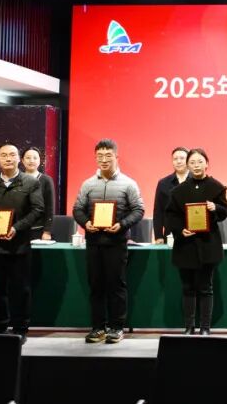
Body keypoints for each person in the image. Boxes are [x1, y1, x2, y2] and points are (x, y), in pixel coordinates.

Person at [72, 139, 145, 344]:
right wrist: (86, 223)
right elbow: (77, 209)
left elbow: (138, 209)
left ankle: (117, 327)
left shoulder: (128, 183)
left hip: (117, 242)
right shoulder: (88, 184)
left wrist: (122, 225)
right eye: (100, 156)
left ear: (116, 157)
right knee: (96, 286)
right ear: (95, 158)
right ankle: (98, 328)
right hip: (94, 242)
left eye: (108, 156)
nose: (104, 160)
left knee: (116, 285)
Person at [0, 143, 45, 344]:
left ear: (19, 159)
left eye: (12, 155)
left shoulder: (30, 182)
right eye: (4, 155)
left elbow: (37, 209)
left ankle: (20, 329)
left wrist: (17, 227)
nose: (8, 158)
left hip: (19, 246)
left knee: (20, 290)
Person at [163, 148, 227, 335]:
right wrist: (180, 230)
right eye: (192, 162)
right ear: (188, 165)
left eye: (200, 161)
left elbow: (226, 210)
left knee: (205, 287)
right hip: (185, 245)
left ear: (207, 164)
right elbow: (170, 215)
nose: (196, 165)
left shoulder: (216, 187)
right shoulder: (178, 191)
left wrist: (215, 207)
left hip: (208, 244)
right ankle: (189, 326)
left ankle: (205, 327)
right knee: (187, 287)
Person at [153, 147, 190, 244]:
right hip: (171, 234)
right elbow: (158, 212)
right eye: (175, 159)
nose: (178, 161)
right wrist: (158, 236)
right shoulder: (163, 183)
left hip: (194, 232)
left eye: (182, 158)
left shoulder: (197, 181)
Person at [22, 146, 56, 241]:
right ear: (22, 160)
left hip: (39, 230)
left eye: (35, 158)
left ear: (40, 161)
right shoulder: (17, 180)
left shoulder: (46, 180)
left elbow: (50, 207)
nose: (31, 160)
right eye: (28, 158)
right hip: (19, 230)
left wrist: (47, 231)